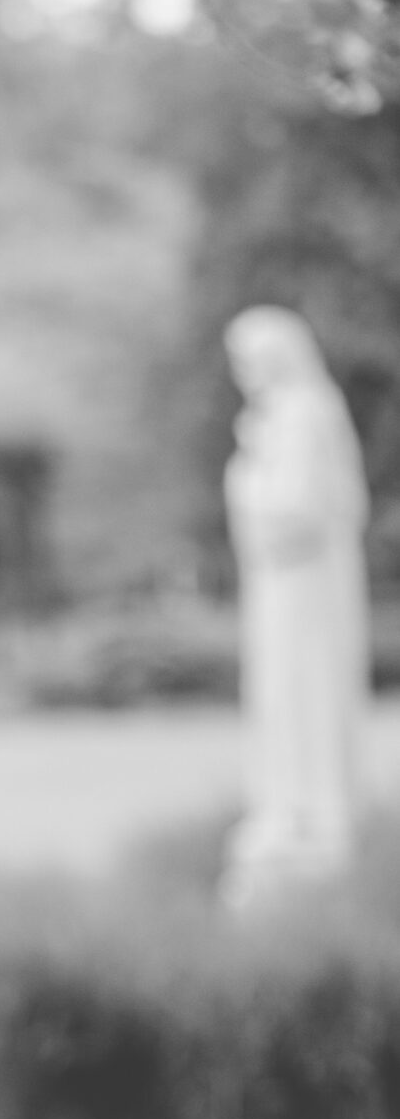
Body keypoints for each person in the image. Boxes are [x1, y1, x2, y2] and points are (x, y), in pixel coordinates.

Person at [220, 305, 371, 912]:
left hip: (306, 590)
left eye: (251, 359)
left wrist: (246, 478)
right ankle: (286, 808)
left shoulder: (306, 414)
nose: (244, 373)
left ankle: (313, 817)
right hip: (278, 588)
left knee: (305, 694)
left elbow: (300, 511)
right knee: (279, 697)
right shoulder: (277, 418)